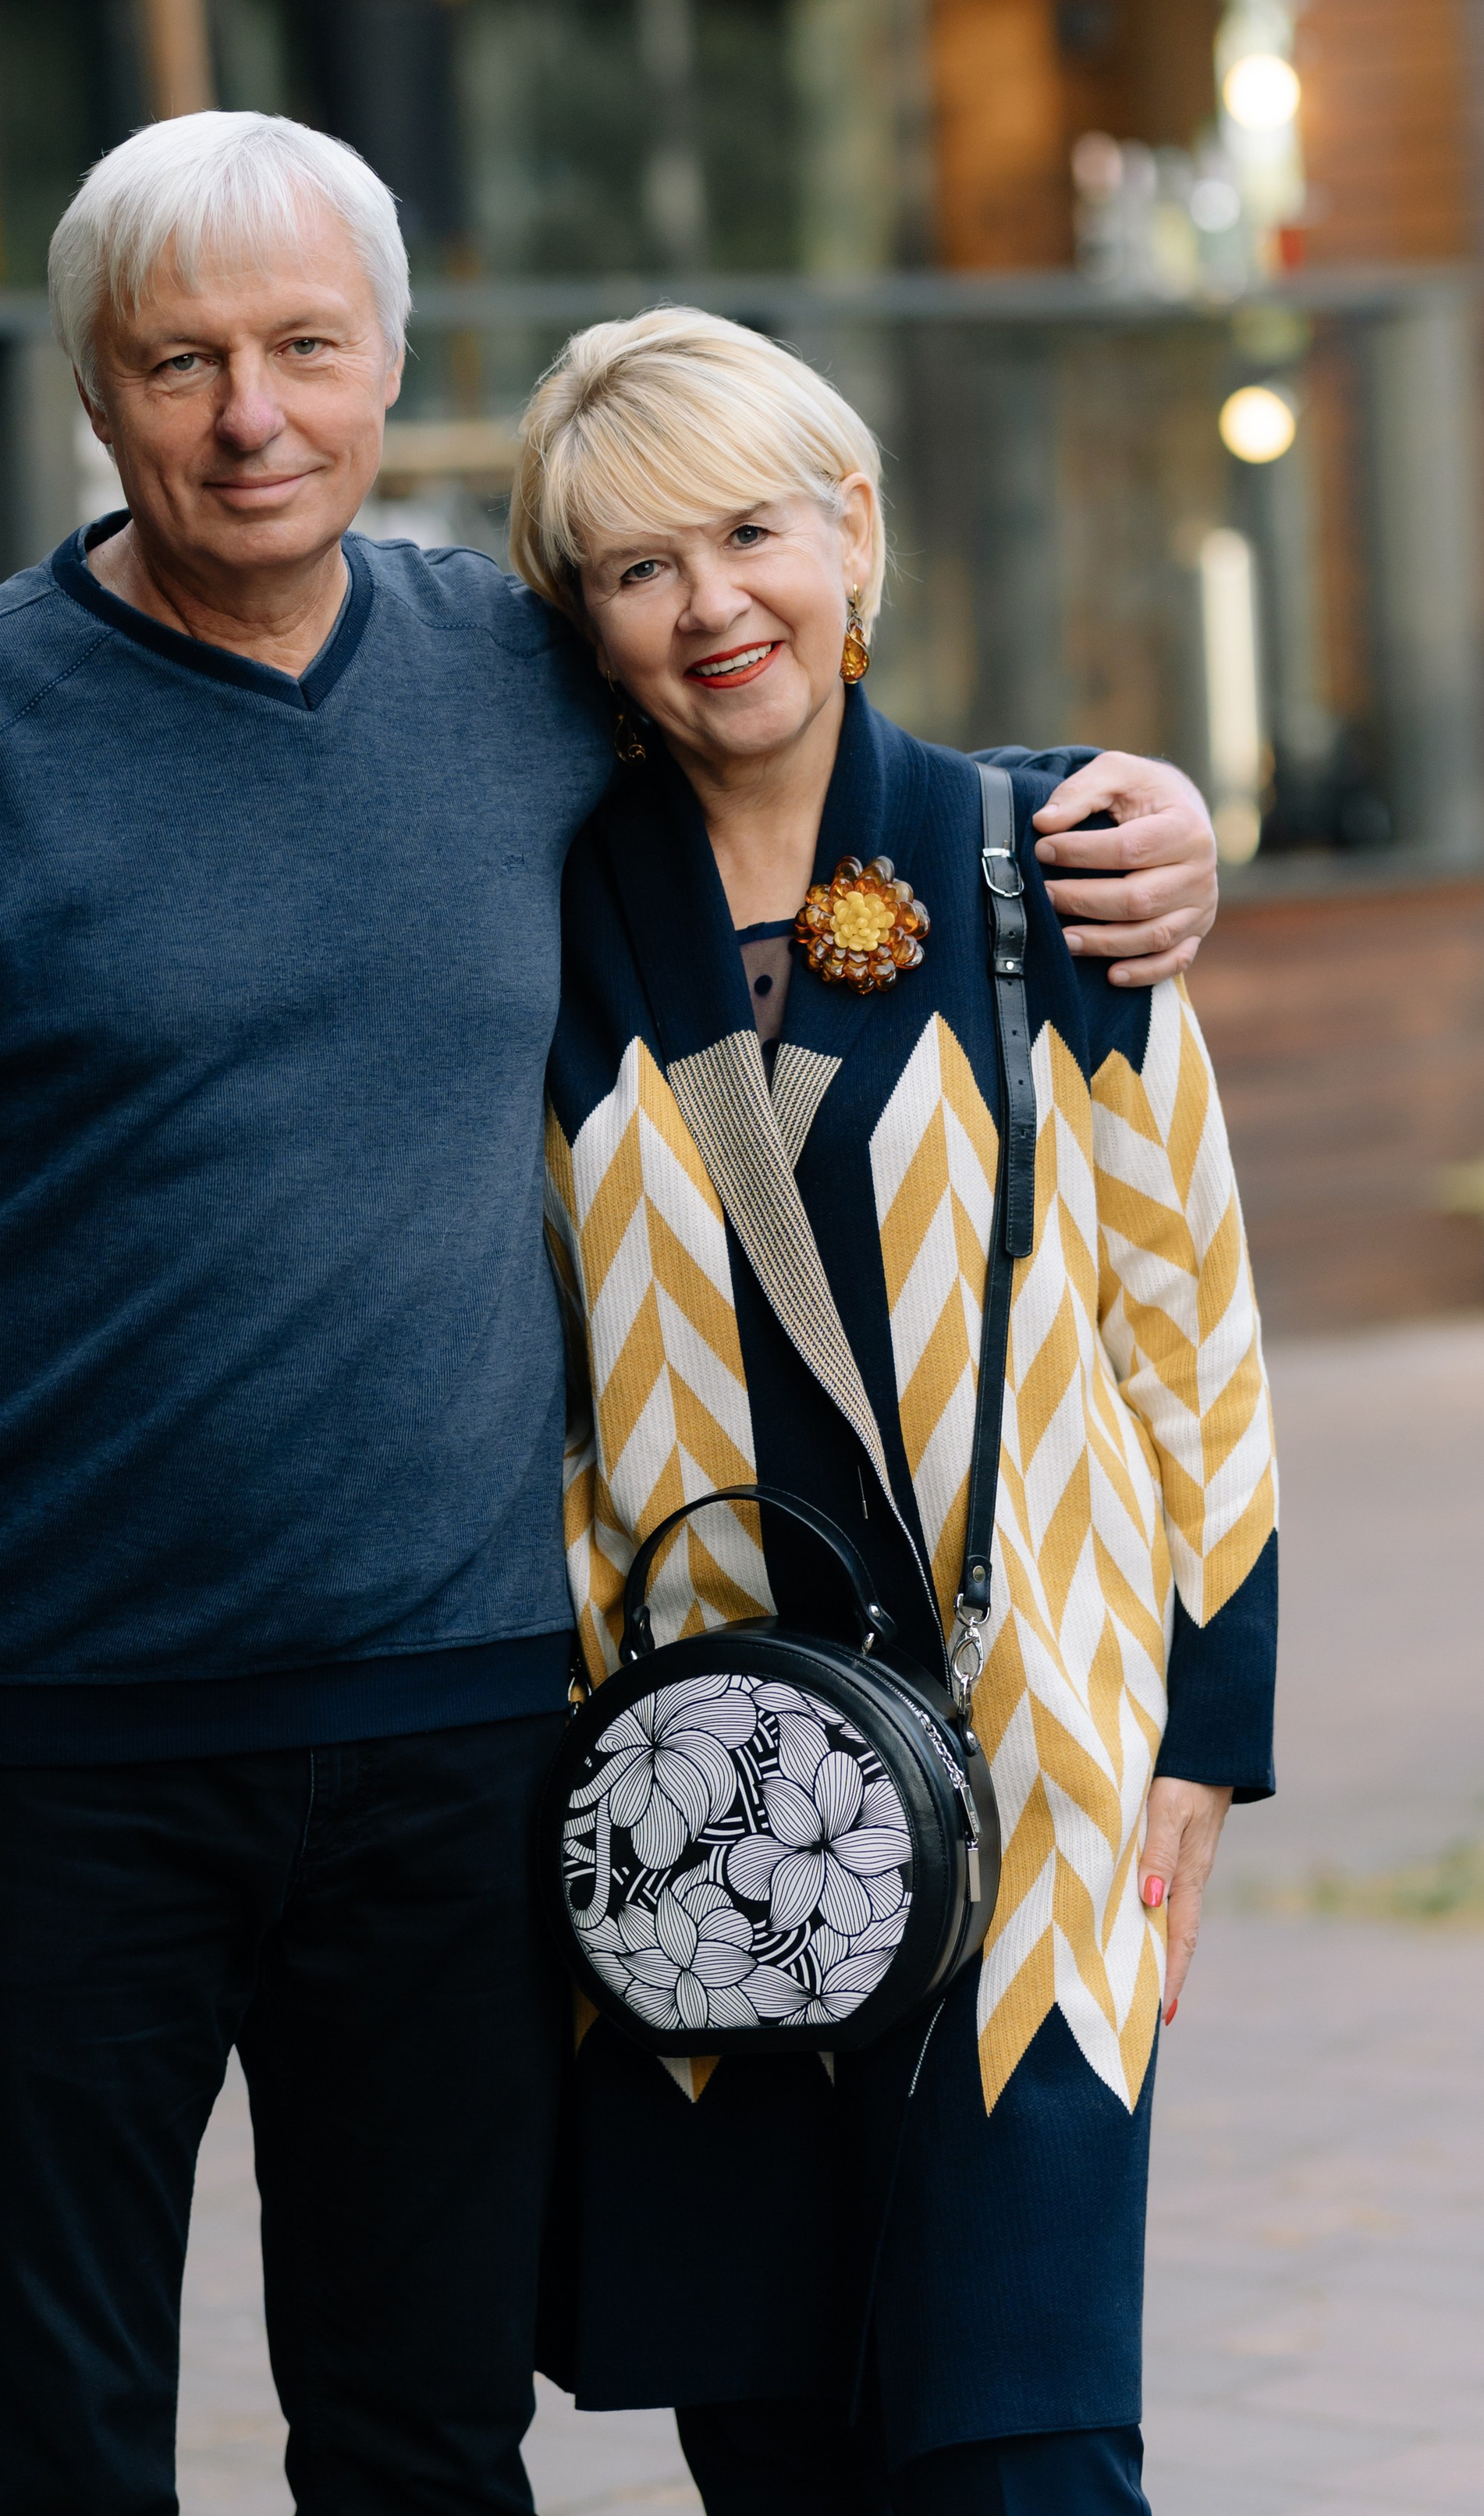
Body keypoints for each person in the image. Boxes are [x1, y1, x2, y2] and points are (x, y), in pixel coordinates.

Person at [0, 115, 1224, 2516]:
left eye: (307, 347)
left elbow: (784, 728)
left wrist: (1102, 815)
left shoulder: (516, 679)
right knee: (42, 2436)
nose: (250, 415)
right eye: (179, 361)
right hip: (49, 1756)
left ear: (392, 359)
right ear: (95, 390)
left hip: (470, 1744)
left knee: (424, 2434)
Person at [510, 308, 1277, 2516]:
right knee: (779, 2442)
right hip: (701, 1810)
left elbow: (1189, 1332)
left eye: (749, 530)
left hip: (1029, 1778)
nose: (710, 603)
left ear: (853, 536)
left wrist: (1201, 1740)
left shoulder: (1054, 873)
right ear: (588, 625)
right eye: (638, 567)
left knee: (1024, 2442)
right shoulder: (548, 930)